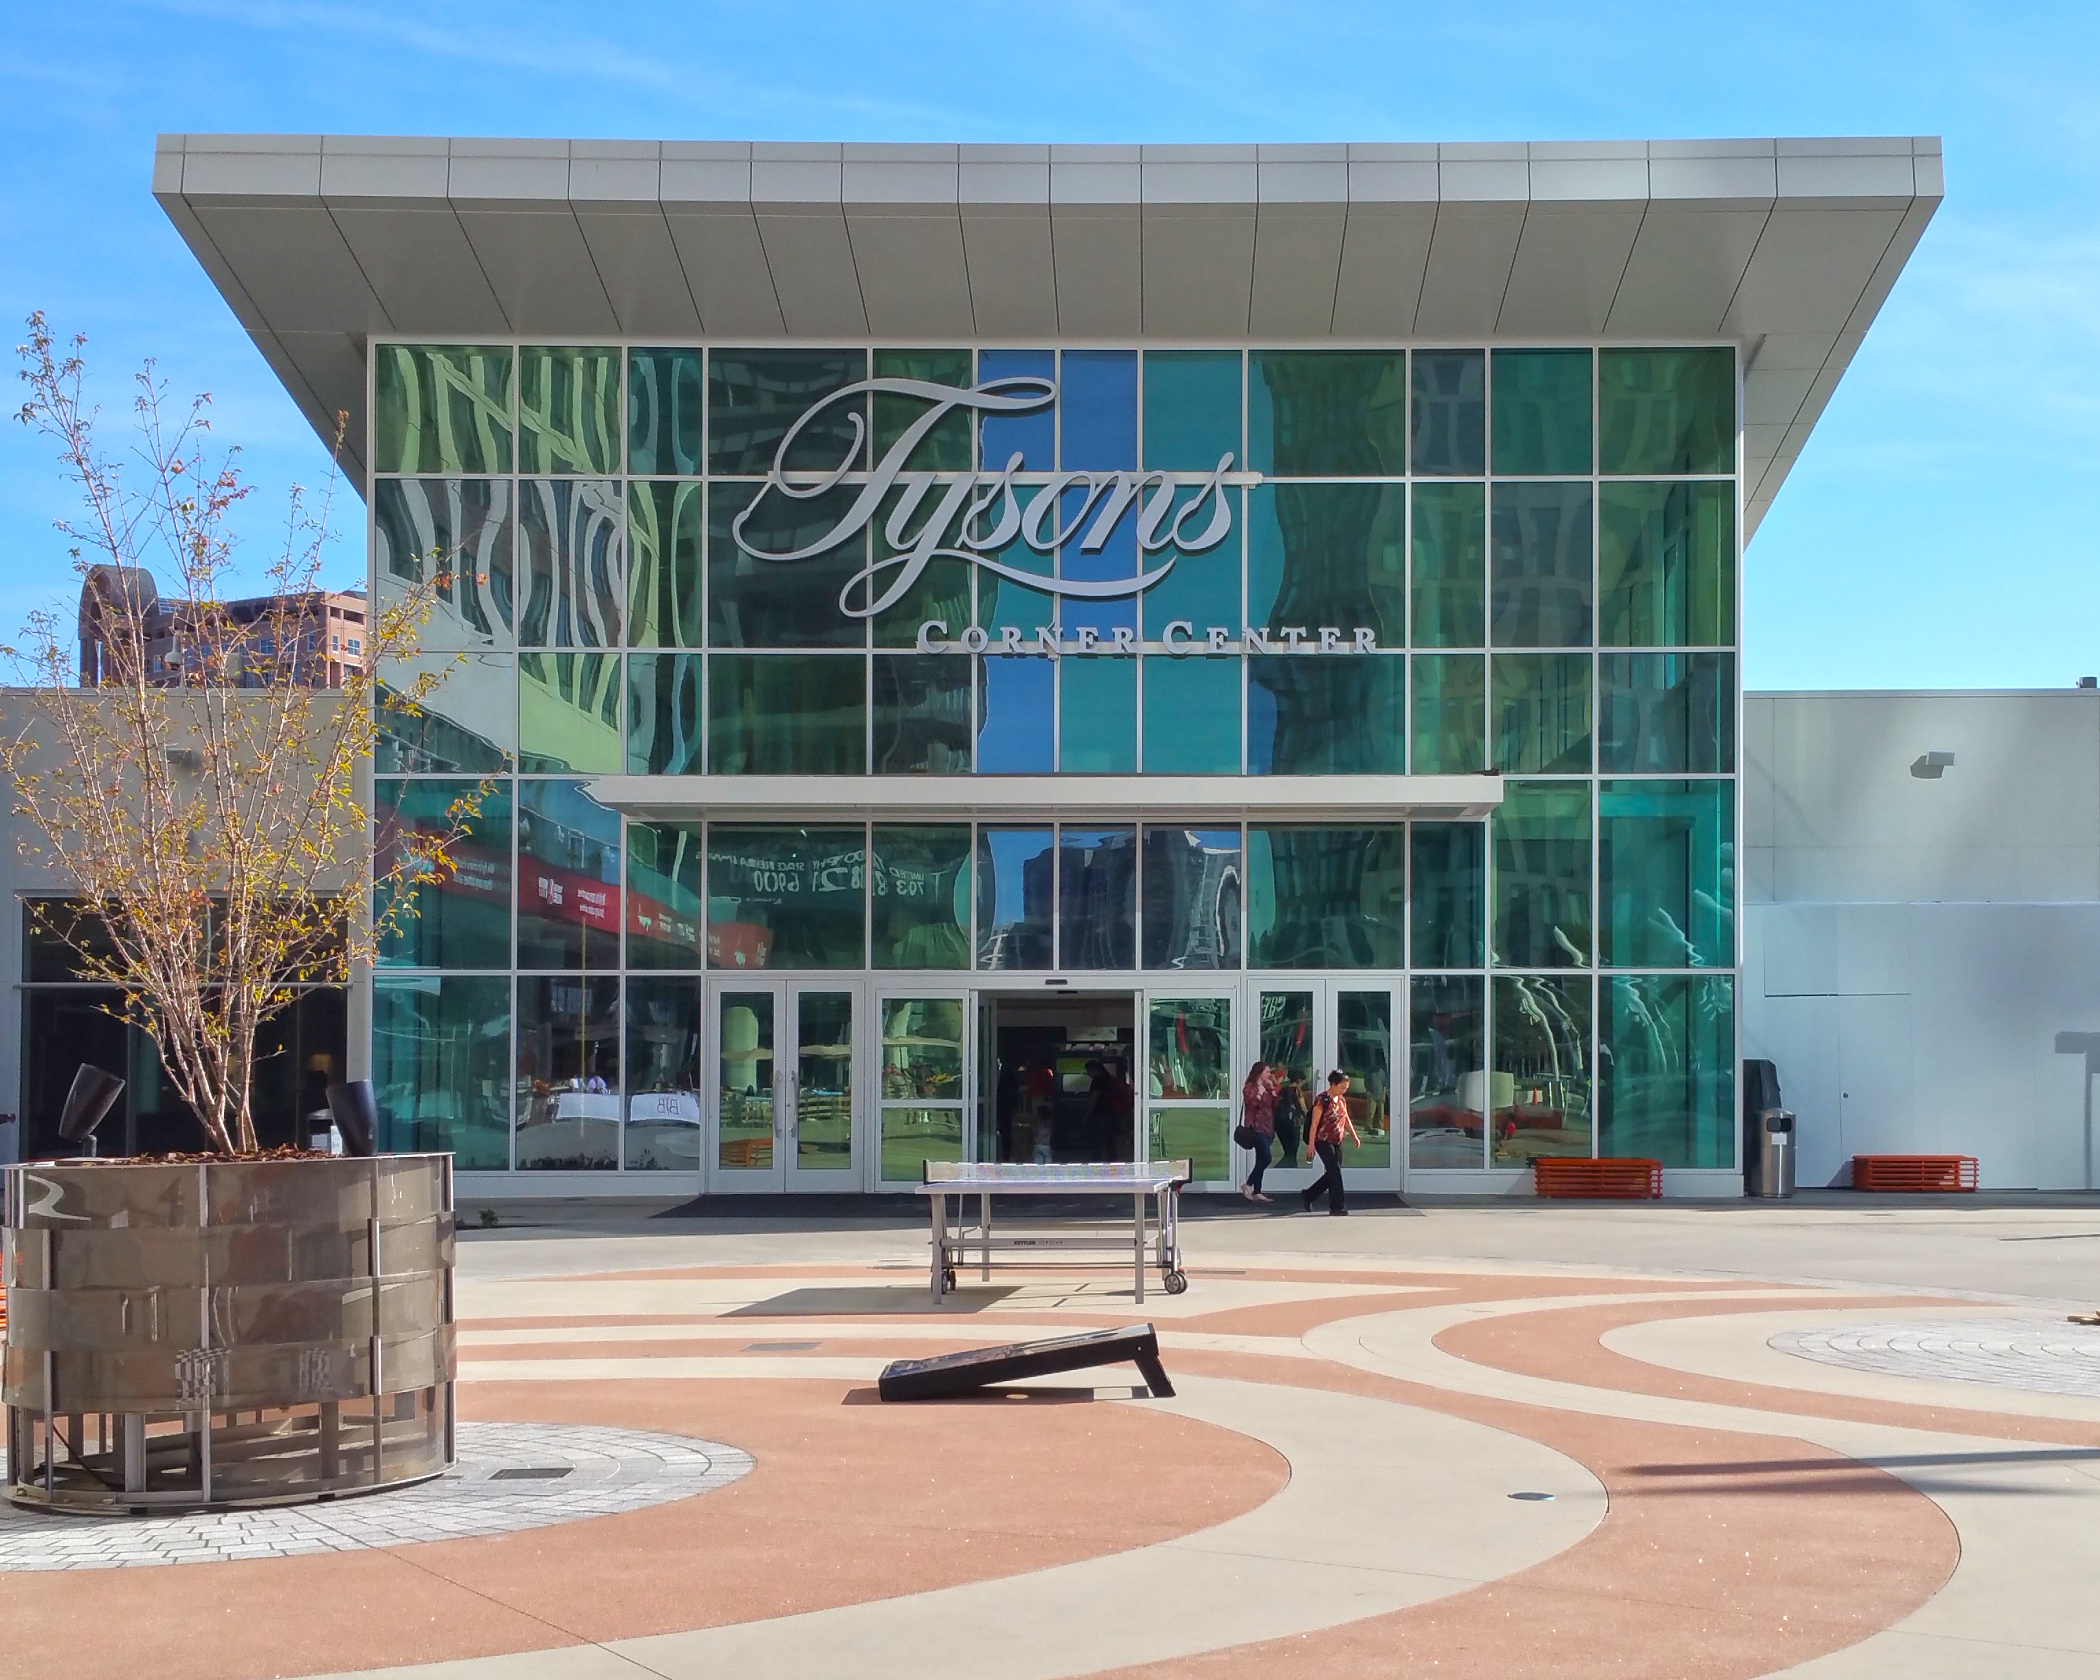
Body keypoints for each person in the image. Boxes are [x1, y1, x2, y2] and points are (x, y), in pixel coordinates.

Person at [1301, 1069, 1361, 1216]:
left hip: (1337, 1140)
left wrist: (1354, 1136)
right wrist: (1311, 1144)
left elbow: (1345, 1118)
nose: (1344, 1090)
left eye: (1346, 1088)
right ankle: (1337, 1206)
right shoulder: (1322, 1100)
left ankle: (1308, 1195)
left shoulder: (1341, 1100)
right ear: (1333, 1084)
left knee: (1333, 1172)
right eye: (1342, 1087)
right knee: (1335, 1171)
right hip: (1323, 1140)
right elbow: (1314, 1123)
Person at [1239, 1060, 1278, 1202]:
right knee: (1267, 1158)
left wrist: (1272, 1089)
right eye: (1267, 1072)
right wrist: (1260, 1092)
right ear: (1259, 1073)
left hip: (1267, 1126)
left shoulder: (1267, 1087)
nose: (1269, 1074)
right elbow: (1252, 1103)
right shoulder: (1250, 1087)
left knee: (1260, 1158)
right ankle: (1248, 1184)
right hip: (1256, 1127)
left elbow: (1275, 1104)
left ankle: (1257, 1191)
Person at [1273, 1071, 1307, 1167]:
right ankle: (1279, 1171)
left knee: (1288, 1152)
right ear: (1299, 1081)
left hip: (1279, 1123)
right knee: (1292, 1153)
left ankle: (1289, 1170)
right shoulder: (1297, 1091)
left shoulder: (1283, 1090)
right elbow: (1303, 1108)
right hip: (1292, 1123)